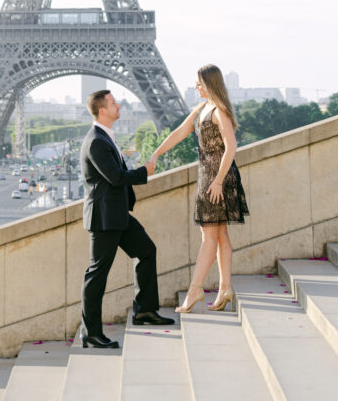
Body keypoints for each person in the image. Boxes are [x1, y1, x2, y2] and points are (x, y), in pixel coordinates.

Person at [79, 89, 175, 348]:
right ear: (102, 109)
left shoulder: (104, 137)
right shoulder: (97, 141)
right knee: (97, 274)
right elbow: (116, 178)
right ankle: (91, 332)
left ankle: (144, 310)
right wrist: (145, 171)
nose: (118, 105)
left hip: (117, 214)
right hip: (105, 219)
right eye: (113, 103)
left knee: (146, 251)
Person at [150, 64, 249, 313]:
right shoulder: (202, 109)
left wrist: (217, 182)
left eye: (198, 82)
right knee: (220, 235)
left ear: (208, 84)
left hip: (217, 179)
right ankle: (225, 288)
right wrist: (155, 154)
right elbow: (178, 133)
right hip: (210, 176)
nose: (195, 87)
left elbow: (232, 147)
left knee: (209, 236)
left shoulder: (218, 111)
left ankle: (196, 290)